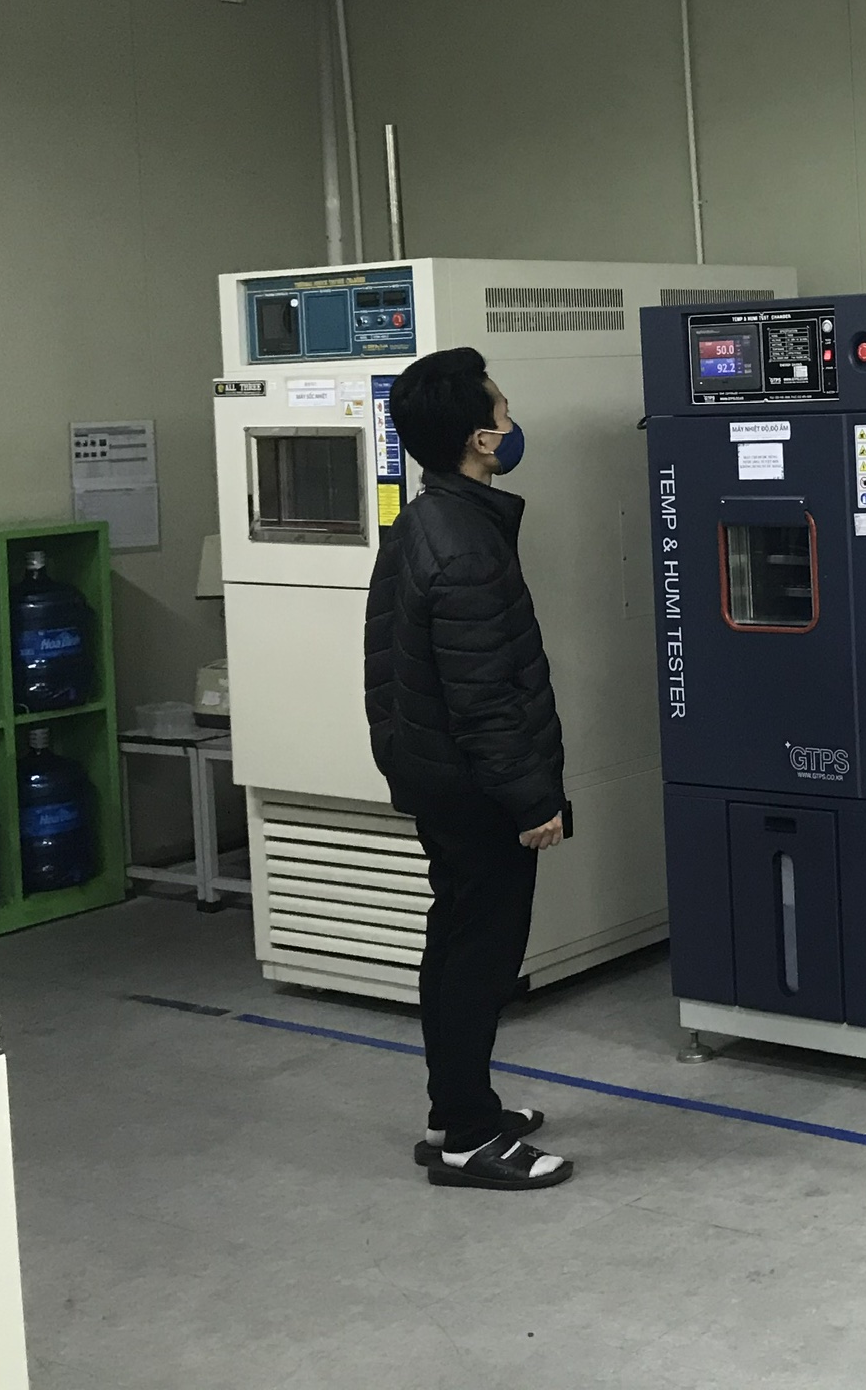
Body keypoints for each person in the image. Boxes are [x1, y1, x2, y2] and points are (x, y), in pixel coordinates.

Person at [365, 346, 574, 1192]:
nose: (512, 422)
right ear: (481, 441)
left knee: (455, 940)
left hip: (437, 776)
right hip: (475, 788)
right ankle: (468, 1139)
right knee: (480, 953)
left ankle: (456, 1108)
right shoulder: (466, 549)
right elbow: (484, 696)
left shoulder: (428, 520)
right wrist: (531, 798)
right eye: (503, 412)